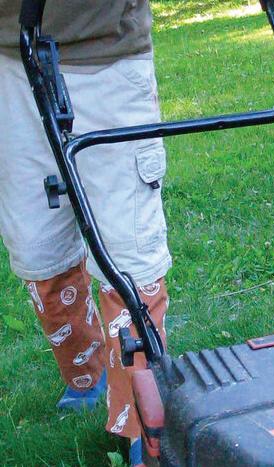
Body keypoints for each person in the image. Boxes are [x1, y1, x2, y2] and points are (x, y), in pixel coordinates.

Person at [0, 1, 171, 465]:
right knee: (38, 252)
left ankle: (142, 424)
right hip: (9, 58)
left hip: (105, 54)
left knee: (130, 255)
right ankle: (87, 373)